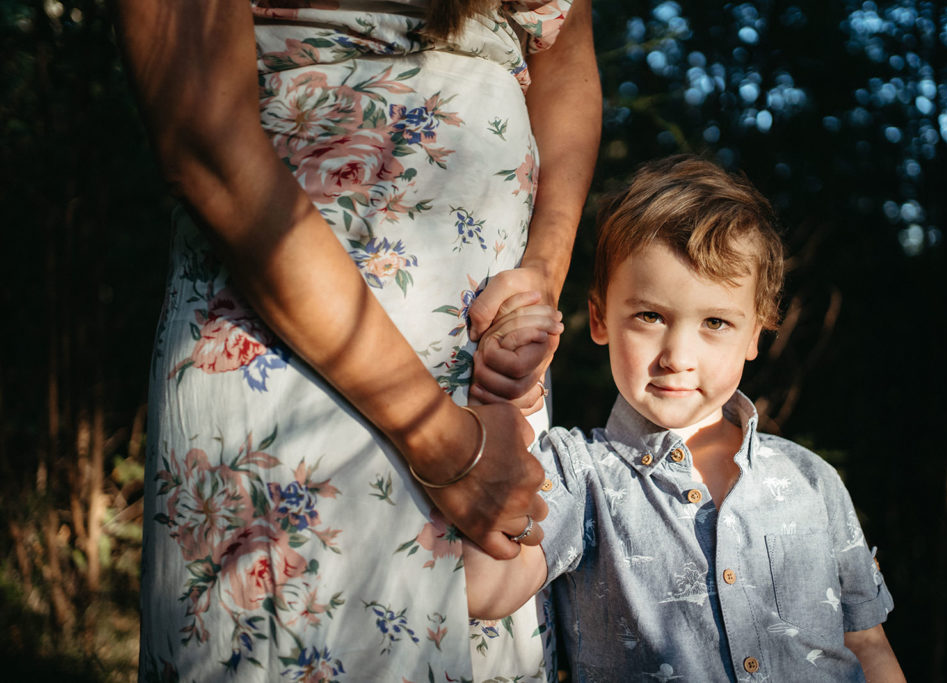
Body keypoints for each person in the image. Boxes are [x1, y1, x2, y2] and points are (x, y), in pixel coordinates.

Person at [114, 0, 599, 679]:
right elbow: (204, 135)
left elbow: (565, 51)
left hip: (490, 365)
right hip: (289, 344)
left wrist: (541, 273)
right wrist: (451, 450)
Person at [464, 156, 906, 681]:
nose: (677, 354)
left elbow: (867, 644)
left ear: (756, 334)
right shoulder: (574, 472)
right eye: (650, 316)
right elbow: (486, 589)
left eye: (715, 322)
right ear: (602, 317)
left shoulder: (812, 480)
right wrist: (498, 419)